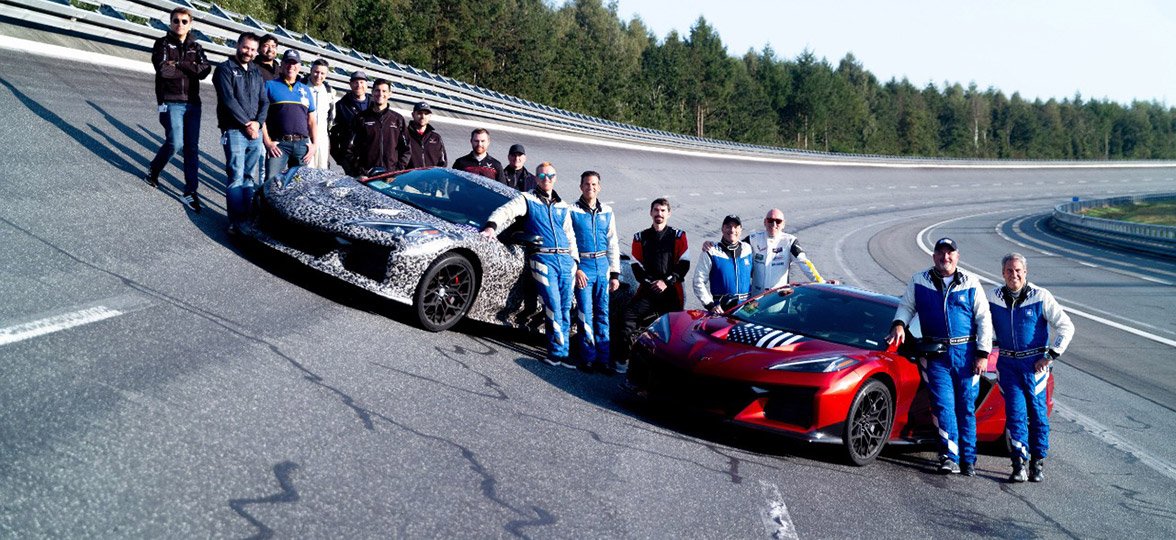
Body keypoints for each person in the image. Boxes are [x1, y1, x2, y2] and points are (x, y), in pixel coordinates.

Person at [886, 237, 993, 476]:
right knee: (943, 406)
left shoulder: (970, 283)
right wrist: (900, 324)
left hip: (966, 355)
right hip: (936, 355)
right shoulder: (919, 280)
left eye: (950, 253)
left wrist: (982, 354)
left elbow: (984, 319)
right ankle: (949, 457)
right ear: (934, 256)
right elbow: (906, 305)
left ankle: (968, 459)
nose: (945, 257)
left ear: (957, 256)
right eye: (941, 253)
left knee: (965, 408)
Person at [480, 162, 579, 368]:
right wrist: (491, 227)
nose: (546, 179)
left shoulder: (563, 206)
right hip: (542, 258)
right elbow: (505, 211)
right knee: (552, 304)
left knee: (565, 306)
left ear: (555, 178)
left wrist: (575, 261)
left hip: (565, 261)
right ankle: (555, 352)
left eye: (550, 175)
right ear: (536, 178)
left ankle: (564, 352)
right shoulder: (527, 199)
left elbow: (570, 237)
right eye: (542, 176)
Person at [987, 253, 1074, 483]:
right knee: (1015, 414)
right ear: (1002, 273)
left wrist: (1051, 355)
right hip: (1007, 364)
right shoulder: (993, 297)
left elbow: (1066, 326)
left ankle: (1037, 462)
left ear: (1025, 272)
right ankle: (1018, 464)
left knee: (1037, 415)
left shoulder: (1040, 296)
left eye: (1017, 270)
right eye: (1008, 271)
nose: (1013, 275)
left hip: (1035, 366)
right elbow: (980, 323)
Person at [146, 6, 212, 212]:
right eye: (176, 21)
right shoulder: (162, 44)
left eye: (184, 21)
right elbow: (164, 70)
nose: (180, 24)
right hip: (170, 101)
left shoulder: (197, 46)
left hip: (193, 103)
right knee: (175, 143)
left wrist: (179, 64)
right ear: (170, 22)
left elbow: (205, 71)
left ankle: (190, 191)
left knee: (192, 148)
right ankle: (154, 170)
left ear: (190, 24)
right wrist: (188, 67)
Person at [622, 198, 689, 372]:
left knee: (675, 329)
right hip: (648, 290)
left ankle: (671, 367)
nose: (659, 214)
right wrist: (651, 282)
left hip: (671, 291)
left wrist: (666, 282)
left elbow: (684, 264)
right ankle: (626, 357)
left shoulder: (678, 236)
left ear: (669, 213)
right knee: (628, 315)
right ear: (651, 212)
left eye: (663, 210)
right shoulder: (640, 237)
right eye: (656, 210)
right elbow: (636, 265)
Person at [213, 31, 268, 234]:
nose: (249, 52)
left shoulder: (255, 71)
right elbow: (228, 100)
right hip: (235, 130)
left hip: (255, 131)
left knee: (249, 178)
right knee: (236, 175)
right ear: (238, 45)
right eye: (246, 47)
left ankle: (248, 219)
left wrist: (258, 123)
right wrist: (247, 123)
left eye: (253, 50)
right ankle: (236, 222)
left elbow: (265, 101)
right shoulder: (224, 69)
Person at [569, 171, 620, 373]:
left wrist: (614, 274)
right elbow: (568, 243)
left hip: (602, 266)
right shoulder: (572, 211)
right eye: (587, 184)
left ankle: (604, 359)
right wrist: (577, 268)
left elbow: (613, 243)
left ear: (599, 187)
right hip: (584, 266)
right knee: (585, 313)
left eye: (594, 184)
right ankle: (588, 357)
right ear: (581, 186)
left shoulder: (607, 212)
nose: (590, 188)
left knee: (603, 314)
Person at [261, 50, 317, 183]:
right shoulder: (270, 85)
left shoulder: (305, 89)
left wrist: (314, 145)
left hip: (302, 145)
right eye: (287, 62)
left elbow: (312, 121)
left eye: (294, 63)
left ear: (299, 66)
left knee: (299, 185)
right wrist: (267, 142)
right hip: (279, 145)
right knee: (272, 183)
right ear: (281, 64)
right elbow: (261, 117)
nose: (291, 66)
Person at [347, 79, 409, 176]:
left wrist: (396, 171)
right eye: (377, 90)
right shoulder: (361, 118)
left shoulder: (398, 119)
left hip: (391, 176)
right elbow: (349, 148)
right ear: (372, 92)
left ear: (389, 94)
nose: (380, 94)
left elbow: (406, 150)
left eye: (384, 91)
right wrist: (360, 171)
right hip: (367, 176)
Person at [694, 215, 753, 313]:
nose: (732, 230)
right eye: (728, 226)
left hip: (747, 309)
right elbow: (698, 281)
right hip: (721, 309)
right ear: (722, 229)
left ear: (741, 229)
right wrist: (710, 305)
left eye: (736, 227)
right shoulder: (711, 251)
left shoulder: (748, 248)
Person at [330, 71, 370, 175]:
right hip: (350, 157)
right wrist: (339, 157)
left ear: (366, 85)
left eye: (361, 82)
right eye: (355, 82)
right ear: (350, 84)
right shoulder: (341, 105)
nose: (359, 85)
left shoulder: (374, 104)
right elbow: (333, 132)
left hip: (371, 155)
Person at [304, 59, 335, 169]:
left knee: (322, 169)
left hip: (322, 136)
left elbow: (331, 115)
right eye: (316, 72)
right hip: (305, 136)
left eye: (322, 73)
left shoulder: (328, 91)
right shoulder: (301, 87)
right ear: (311, 71)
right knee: (307, 169)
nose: (319, 76)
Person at [405, 101, 447, 168]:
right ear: (413, 115)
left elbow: (443, 162)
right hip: (410, 177)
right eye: (419, 113)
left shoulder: (436, 138)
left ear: (430, 116)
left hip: (431, 177)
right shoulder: (404, 135)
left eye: (426, 114)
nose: (423, 116)